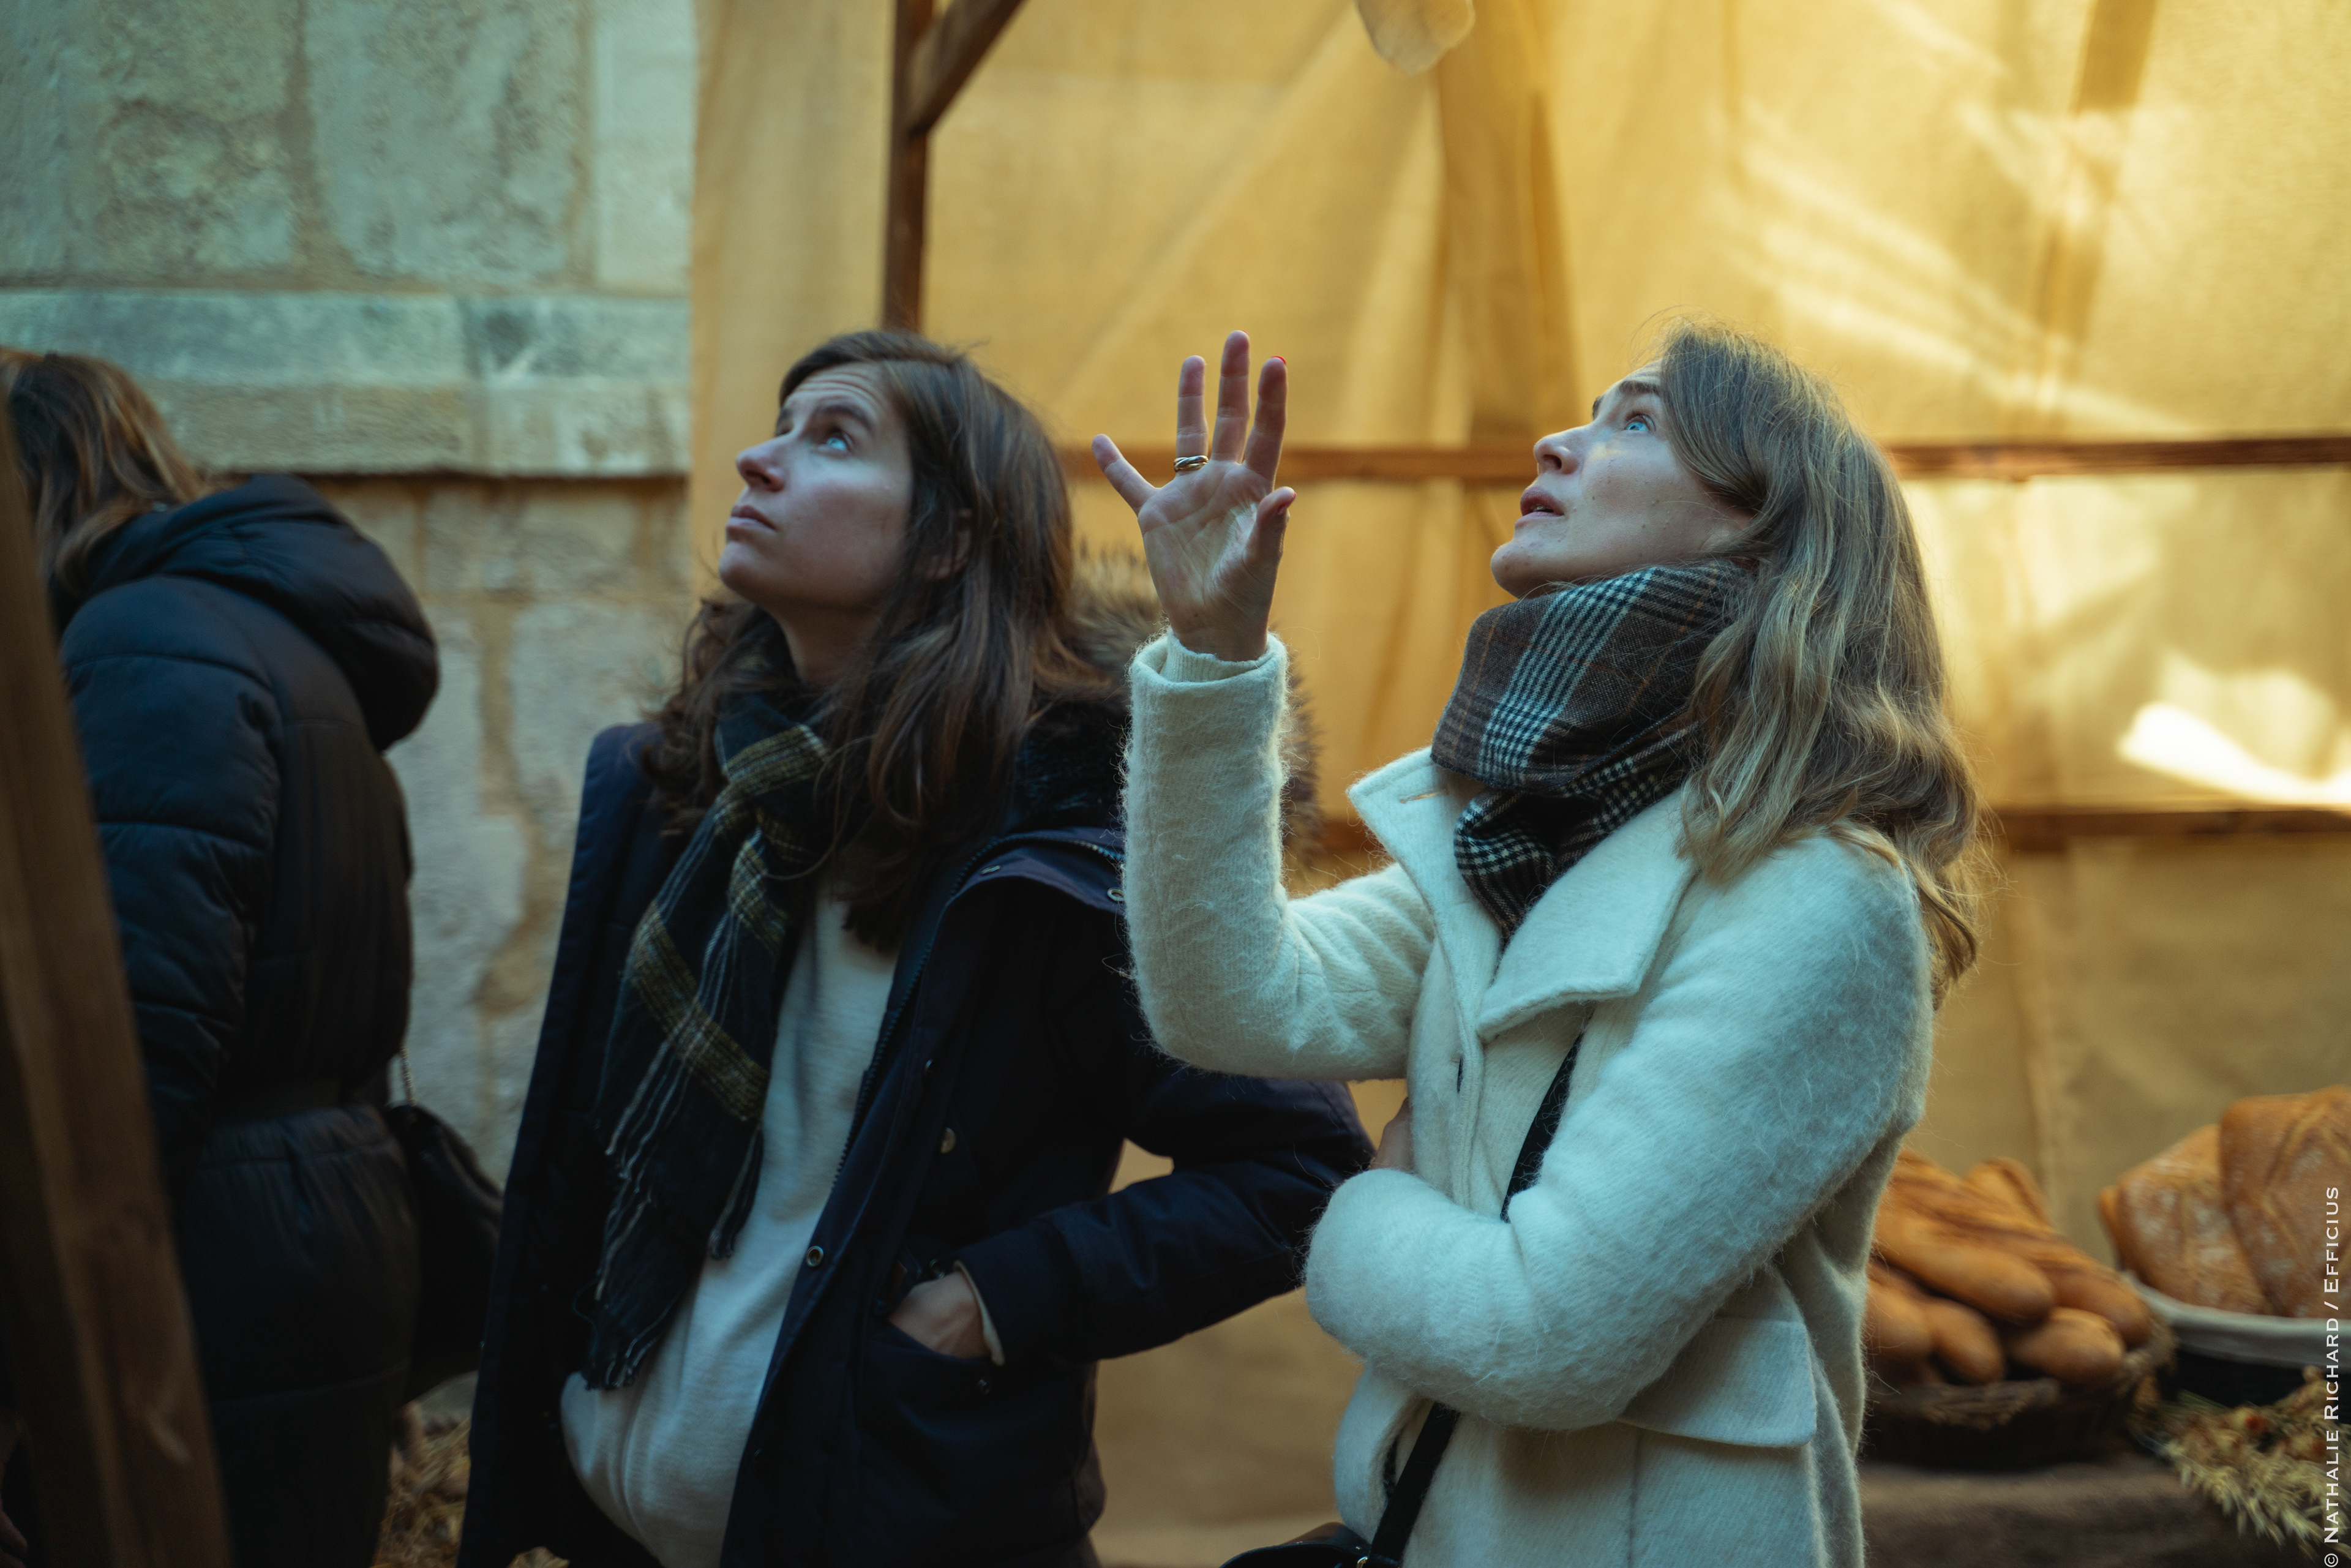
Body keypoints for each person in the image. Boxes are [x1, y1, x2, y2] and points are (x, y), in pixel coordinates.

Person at [457, 331, 1370, 1568]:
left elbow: (1298, 1166)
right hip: (617, 1519)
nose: (760, 459)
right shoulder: (677, 790)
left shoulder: (1053, 866)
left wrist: (992, 1300)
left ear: (949, 540)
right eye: (778, 427)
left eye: (833, 438)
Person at [1095, 322, 1982, 1566]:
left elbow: (1549, 1336)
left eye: (1635, 421)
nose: (1556, 442)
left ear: (1759, 528)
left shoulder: (1824, 900)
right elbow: (1230, 1000)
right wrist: (1212, 656)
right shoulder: (1524, 832)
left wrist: (1364, 1207)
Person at [0, 349, 437, 1567]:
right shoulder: (267, 635)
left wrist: (18, 1371)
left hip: (213, 1263)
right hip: (308, 1232)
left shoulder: (145, 641)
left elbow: (129, 1054)